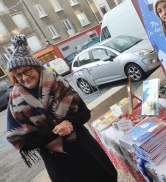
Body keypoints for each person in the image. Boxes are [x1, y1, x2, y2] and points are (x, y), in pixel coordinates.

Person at [6, 35, 117, 182]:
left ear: (36, 68)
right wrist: (51, 131)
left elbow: (85, 113)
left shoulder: (58, 83)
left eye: (27, 70)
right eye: (18, 74)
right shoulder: (15, 103)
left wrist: (70, 123)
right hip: (59, 163)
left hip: (86, 150)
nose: (24, 77)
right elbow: (23, 144)